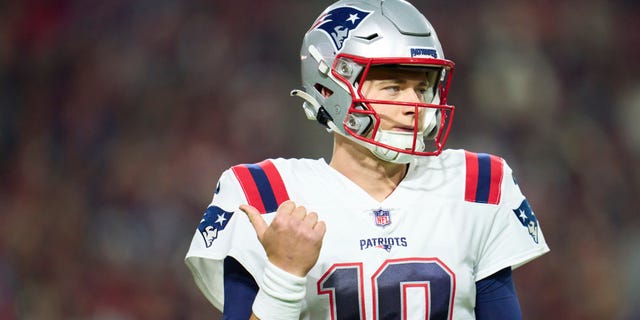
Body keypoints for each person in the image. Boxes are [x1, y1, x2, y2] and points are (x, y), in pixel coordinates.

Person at [185, 0, 550, 319]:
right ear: (329, 88)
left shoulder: (478, 183)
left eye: (423, 87)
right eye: (393, 87)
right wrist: (284, 274)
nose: (415, 106)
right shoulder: (264, 194)